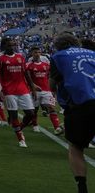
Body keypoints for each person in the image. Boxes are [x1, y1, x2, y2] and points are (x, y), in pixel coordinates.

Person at [50, 33, 95, 193]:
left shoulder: (58, 56)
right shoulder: (93, 53)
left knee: (76, 147)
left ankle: (82, 188)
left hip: (80, 105)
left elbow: (52, 83)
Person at [0, 37, 35, 147]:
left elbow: (26, 73)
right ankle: (20, 138)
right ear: (4, 46)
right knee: (14, 115)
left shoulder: (20, 57)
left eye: (13, 45)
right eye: (9, 45)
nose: (12, 47)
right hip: (8, 90)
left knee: (31, 114)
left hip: (23, 89)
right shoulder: (0, 58)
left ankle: (19, 128)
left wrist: (32, 88)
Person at [25, 46, 63, 134]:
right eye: (35, 52)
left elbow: (50, 76)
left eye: (39, 52)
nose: (37, 54)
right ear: (31, 54)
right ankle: (35, 125)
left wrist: (51, 87)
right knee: (35, 109)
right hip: (35, 91)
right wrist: (33, 86)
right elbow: (26, 78)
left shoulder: (46, 65)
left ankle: (57, 127)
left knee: (51, 107)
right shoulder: (28, 65)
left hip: (46, 90)